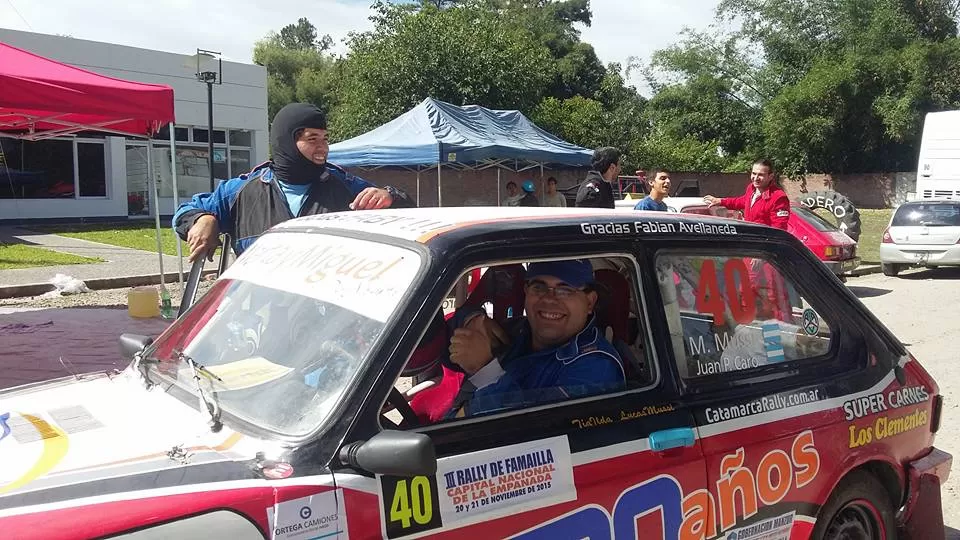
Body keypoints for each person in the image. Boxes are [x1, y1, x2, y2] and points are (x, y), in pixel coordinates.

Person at [172, 103, 413, 262]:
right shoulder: (242, 191)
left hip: (327, 320)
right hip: (259, 321)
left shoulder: (344, 185)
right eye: (312, 139)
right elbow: (184, 212)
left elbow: (407, 213)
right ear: (286, 142)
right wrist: (202, 219)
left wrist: (389, 195)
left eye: (325, 139)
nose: (323, 147)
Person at [444, 259, 626, 418]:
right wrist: (472, 319)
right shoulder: (516, 330)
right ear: (526, 292)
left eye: (565, 290)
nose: (549, 299)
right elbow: (442, 349)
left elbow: (533, 433)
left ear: (590, 302)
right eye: (539, 287)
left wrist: (485, 369)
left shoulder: (597, 367)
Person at [703, 159, 789, 230]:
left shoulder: (778, 197)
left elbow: (779, 229)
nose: (756, 178)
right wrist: (721, 201)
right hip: (750, 241)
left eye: (761, 175)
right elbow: (741, 201)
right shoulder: (751, 188)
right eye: (754, 173)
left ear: (770, 176)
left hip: (763, 245)